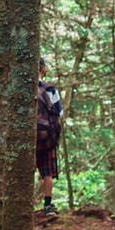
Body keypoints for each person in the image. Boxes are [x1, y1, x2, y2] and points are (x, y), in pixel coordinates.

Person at [36, 58, 64, 215]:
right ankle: (48, 205)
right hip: (47, 139)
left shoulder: (22, 90)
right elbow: (59, 113)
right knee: (47, 172)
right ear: (43, 69)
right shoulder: (50, 89)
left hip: (27, 138)